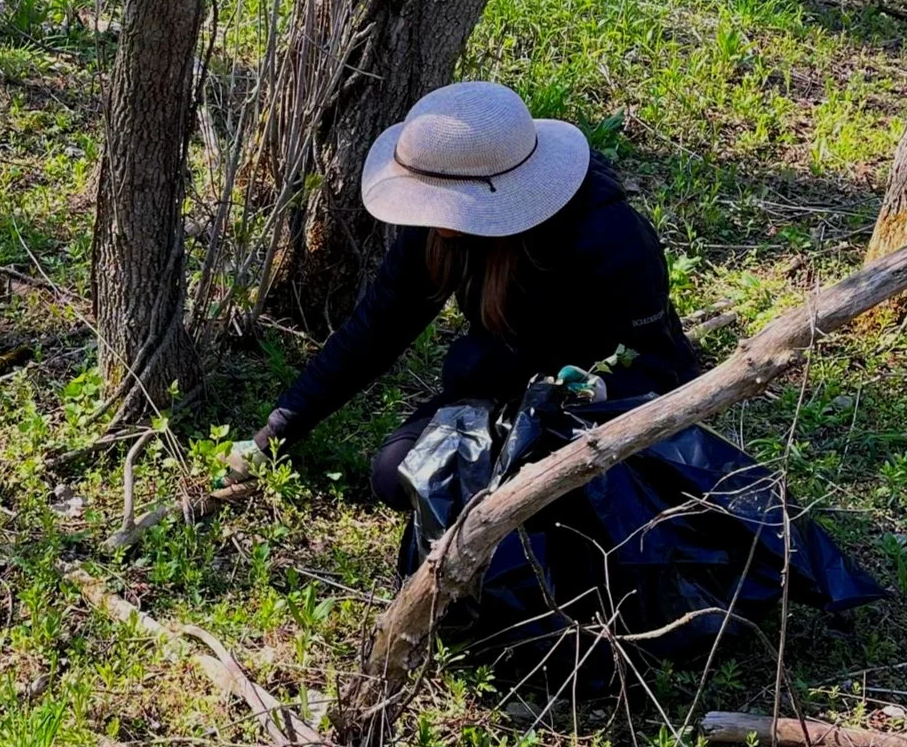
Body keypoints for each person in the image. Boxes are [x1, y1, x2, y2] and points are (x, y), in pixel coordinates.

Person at [241, 81, 699, 504]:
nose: (426, 214)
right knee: (399, 476)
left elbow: (661, 368)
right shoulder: (439, 232)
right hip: (504, 384)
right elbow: (376, 330)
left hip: (592, 406)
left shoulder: (607, 234)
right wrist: (276, 432)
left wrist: (598, 389)